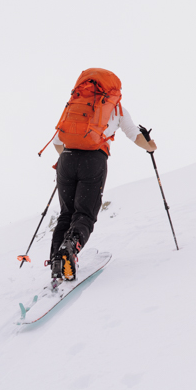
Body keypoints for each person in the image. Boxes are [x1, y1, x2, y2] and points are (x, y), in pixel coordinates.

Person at [48, 68, 157, 281]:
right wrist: (151, 146)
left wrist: (68, 162)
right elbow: (135, 136)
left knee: (66, 214)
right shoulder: (116, 108)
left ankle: (56, 263)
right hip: (94, 160)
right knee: (85, 214)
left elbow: (57, 142)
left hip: (66, 159)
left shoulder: (75, 105)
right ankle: (70, 249)